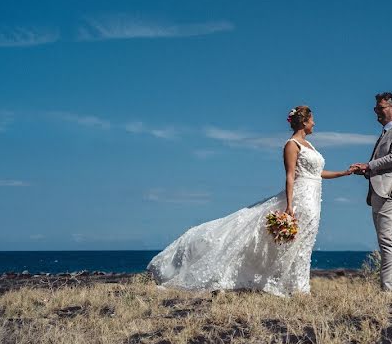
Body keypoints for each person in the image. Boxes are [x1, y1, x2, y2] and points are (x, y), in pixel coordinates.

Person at [147, 105, 358, 297]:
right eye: (312, 120)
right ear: (304, 122)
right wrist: (288, 206)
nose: (315, 124)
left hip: (315, 198)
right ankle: (296, 288)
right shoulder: (292, 145)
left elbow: (317, 173)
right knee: (290, 241)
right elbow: (290, 176)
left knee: (305, 242)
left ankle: (298, 286)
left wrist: (344, 173)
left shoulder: (309, 144)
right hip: (300, 197)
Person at [350, 92, 392, 292]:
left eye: (380, 108)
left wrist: (368, 166)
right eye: (375, 108)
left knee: (387, 240)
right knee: (384, 239)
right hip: (380, 193)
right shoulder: (385, 132)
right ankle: (389, 288)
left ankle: (391, 290)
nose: (376, 111)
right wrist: (368, 171)